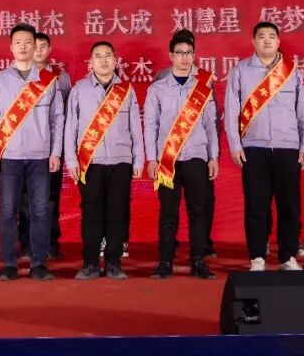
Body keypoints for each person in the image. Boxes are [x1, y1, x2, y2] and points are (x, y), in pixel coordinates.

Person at [224, 22, 304, 272]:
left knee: (289, 205)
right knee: (256, 204)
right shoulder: (240, 71)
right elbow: (231, 111)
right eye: (261, 36)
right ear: (253, 41)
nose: (266, 40)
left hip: (288, 147)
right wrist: (235, 144)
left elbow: (303, 112)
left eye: (271, 36)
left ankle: (287, 257)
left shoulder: (291, 71)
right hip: (254, 147)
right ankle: (257, 257)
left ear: (278, 41)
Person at [0, 23, 63, 281]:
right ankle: (8, 263)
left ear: (35, 45)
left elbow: (57, 118)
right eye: (18, 42)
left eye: (28, 42)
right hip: (9, 157)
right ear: (11, 47)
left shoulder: (48, 80)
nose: (23, 46)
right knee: (8, 211)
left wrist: (56, 152)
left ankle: (39, 263)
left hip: (40, 156)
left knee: (40, 211)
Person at [64, 41, 143, 280]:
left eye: (108, 55)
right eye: (98, 56)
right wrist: (71, 161)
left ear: (115, 60)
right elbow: (70, 127)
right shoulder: (79, 90)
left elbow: (135, 127)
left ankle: (113, 263)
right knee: (91, 213)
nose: (103, 60)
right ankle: (90, 263)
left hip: (121, 161)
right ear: (91, 62)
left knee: (118, 213)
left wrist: (138, 159)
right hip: (90, 162)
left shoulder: (126, 90)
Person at [144, 30, 218, 280]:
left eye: (189, 53)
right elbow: (150, 125)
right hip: (168, 160)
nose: (184, 58)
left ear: (194, 55)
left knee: (198, 212)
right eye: (179, 53)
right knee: (168, 213)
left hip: (197, 156)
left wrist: (213, 156)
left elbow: (210, 124)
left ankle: (198, 261)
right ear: (171, 56)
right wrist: (152, 158)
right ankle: (165, 261)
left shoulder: (203, 87)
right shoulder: (157, 89)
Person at [24, 32, 72, 259]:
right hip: (24, 147)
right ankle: (27, 244)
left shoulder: (61, 78)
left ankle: (51, 243)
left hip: (52, 147)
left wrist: (60, 148)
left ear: (50, 49)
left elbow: (66, 115)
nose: (39, 50)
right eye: (35, 46)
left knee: (51, 198)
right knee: (25, 199)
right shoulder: (20, 75)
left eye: (43, 46)